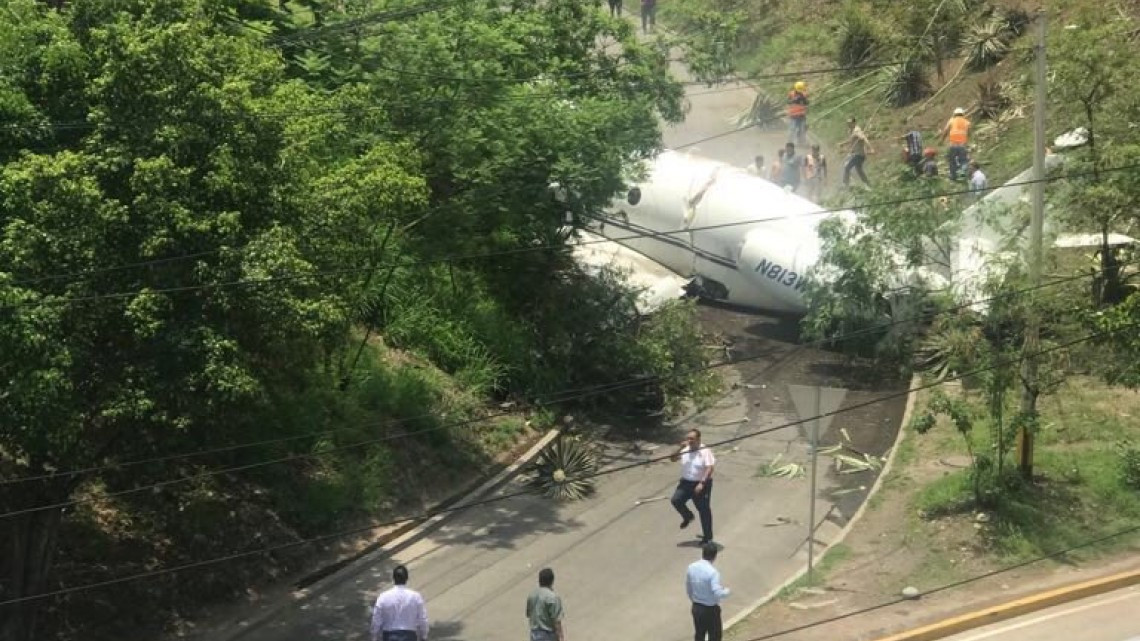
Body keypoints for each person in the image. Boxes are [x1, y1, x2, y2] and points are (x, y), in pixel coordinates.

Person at [670, 429, 716, 544]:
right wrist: (679, 448)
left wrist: (702, 483)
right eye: (688, 438)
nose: (689, 441)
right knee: (676, 500)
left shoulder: (705, 451)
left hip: (700, 483)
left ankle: (707, 537)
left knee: (703, 510)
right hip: (686, 482)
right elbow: (672, 459)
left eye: (692, 439)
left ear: (698, 439)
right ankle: (688, 516)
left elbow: (709, 468)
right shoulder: (685, 450)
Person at [370, 565, 429, 641]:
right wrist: (423, 636)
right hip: (409, 636)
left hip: (389, 636)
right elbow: (422, 619)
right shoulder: (415, 597)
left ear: (393, 578)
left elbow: (376, 620)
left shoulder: (383, 597)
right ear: (406, 578)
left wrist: (375, 637)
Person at [686, 542, 730, 641]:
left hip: (697, 607)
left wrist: (695, 600)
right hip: (710, 609)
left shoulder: (691, 567)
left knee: (699, 634)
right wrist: (726, 591)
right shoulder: (713, 573)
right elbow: (717, 592)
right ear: (715, 556)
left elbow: (689, 588)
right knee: (715, 636)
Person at [526, 568, 565, 641]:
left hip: (534, 634)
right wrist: (561, 637)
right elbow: (557, 621)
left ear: (539, 580)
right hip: (548, 635)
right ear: (552, 581)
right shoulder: (553, 597)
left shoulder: (531, 595)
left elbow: (529, 614)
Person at [938, 107, 971, 181]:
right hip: (962, 145)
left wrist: (941, 140)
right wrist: (967, 142)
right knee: (963, 160)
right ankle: (963, 174)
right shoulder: (967, 122)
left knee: (952, 160)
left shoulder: (951, 120)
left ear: (954, 114)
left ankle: (953, 176)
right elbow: (969, 133)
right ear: (963, 114)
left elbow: (945, 130)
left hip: (952, 144)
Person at [841, 117, 874, 187]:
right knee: (859, 170)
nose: (848, 124)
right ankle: (868, 184)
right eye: (848, 123)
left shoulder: (857, 130)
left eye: (850, 123)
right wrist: (843, 143)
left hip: (860, 154)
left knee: (847, 167)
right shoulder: (851, 131)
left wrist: (871, 148)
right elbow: (851, 140)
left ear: (854, 123)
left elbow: (864, 139)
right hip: (856, 154)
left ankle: (846, 185)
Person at [786, 81, 809, 146]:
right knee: (792, 129)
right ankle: (790, 142)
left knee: (802, 130)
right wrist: (794, 100)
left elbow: (807, 103)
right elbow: (787, 102)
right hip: (793, 115)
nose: (800, 92)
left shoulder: (805, 94)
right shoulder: (791, 94)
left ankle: (801, 142)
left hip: (802, 115)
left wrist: (803, 99)